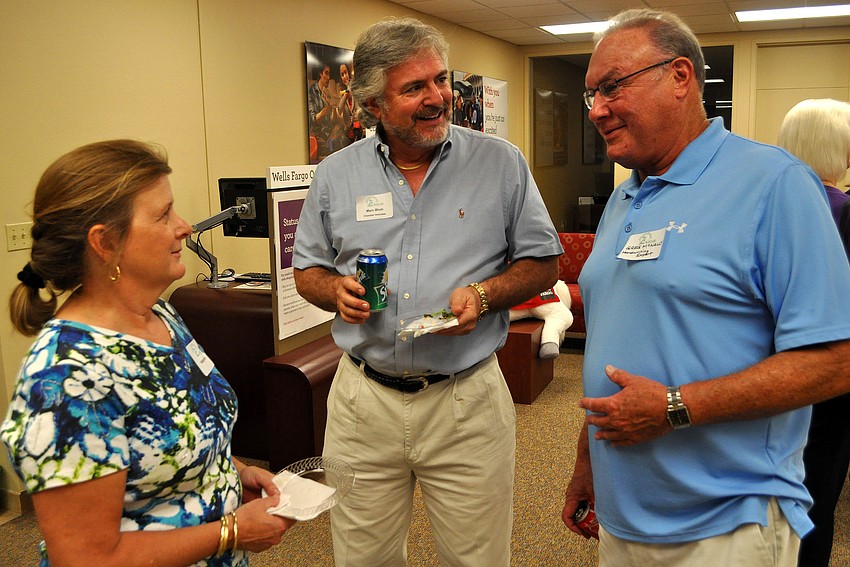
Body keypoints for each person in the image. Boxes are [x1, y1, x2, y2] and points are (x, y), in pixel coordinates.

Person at [560, 9, 850, 567]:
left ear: (680, 77)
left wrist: (674, 406)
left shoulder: (775, 185)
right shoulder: (624, 197)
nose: (596, 109)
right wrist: (588, 458)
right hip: (625, 514)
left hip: (728, 521)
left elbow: (835, 360)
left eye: (613, 86)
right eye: (591, 93)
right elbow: (621, 337)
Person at [292, 17, 562, 566]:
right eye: (414, 88)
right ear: (372, 105)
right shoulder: (333, 175)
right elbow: (308, 272)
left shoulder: (500, 163)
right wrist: (334, 292)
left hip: (465, 398)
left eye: (440, 79)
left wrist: (486, 296)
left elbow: (543, 261)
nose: (437, 97)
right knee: (362, 557)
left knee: (476, 558)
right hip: (363, 402)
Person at [0, 140, 293, 566]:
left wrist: (230, 472)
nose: (186, 226)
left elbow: (184, 426)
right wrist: (231, 531)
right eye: (163, 215)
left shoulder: (160, 315)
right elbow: (86, 559)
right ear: (104, 243)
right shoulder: (68, 376)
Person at [777, 98, 850, 567]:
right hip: (831, 375)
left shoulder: (769, 201)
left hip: (773, 370)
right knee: (817, 491)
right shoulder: (842, 208)